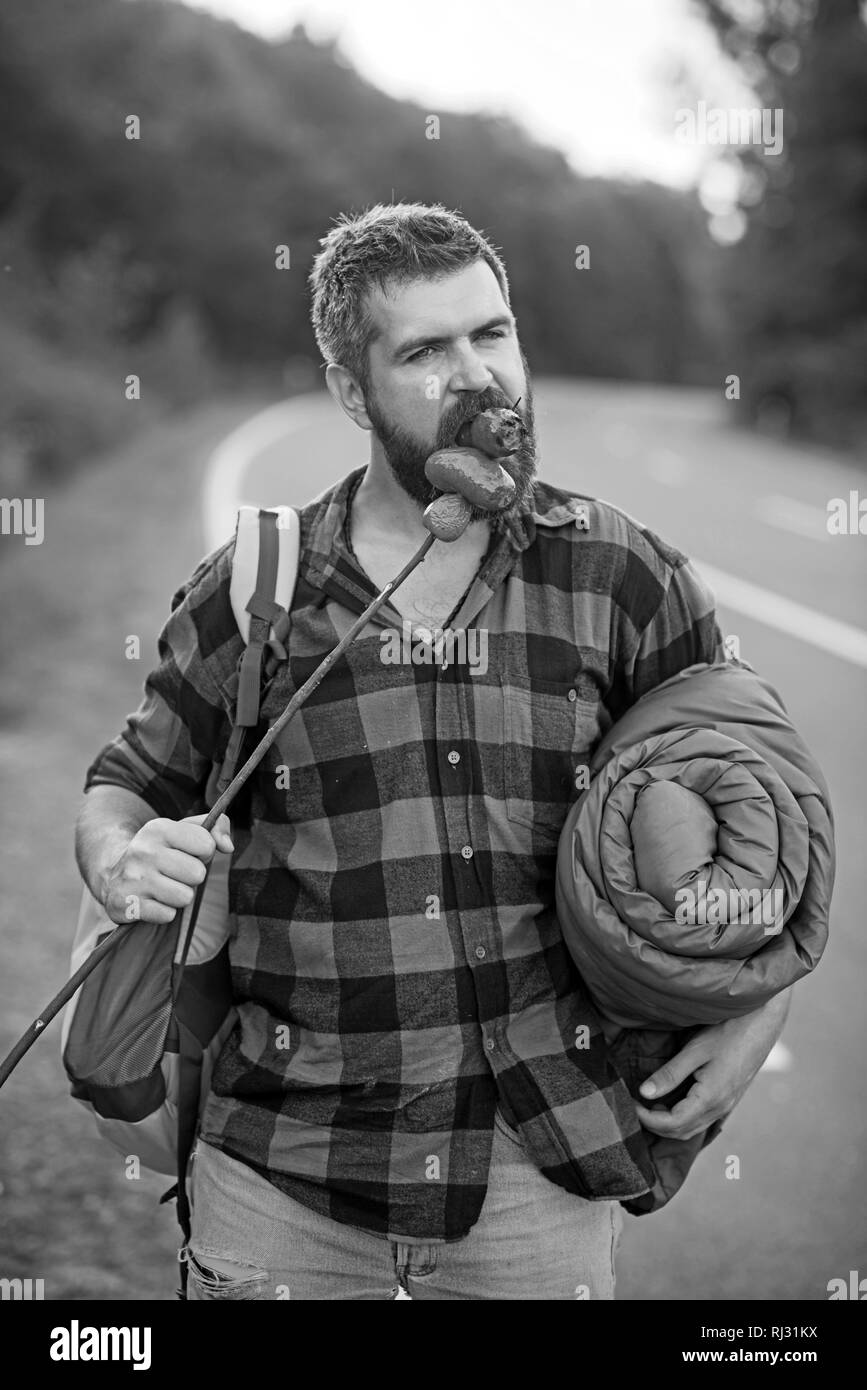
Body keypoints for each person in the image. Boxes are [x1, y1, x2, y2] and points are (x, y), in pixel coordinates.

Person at [75, 202, 791, 1301]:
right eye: (425, 351)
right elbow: (125, 788)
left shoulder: (622, 573)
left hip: (540, 1168)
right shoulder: (258, 589)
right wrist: (125, 857)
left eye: (492, 335)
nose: (480, 377)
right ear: (352, 388)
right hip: (285, 1174)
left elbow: (759, 808)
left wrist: (757, 1009)